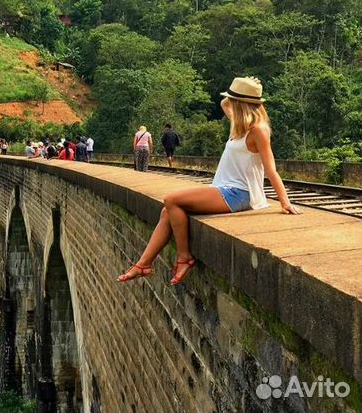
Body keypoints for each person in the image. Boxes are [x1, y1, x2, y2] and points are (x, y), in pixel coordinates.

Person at [117, 77, 302, 286]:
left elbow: (270, 169)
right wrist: (242, 85)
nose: (228, 103)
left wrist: (285, 202)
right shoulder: (240, 125)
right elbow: (224, 103)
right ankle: (143, 264)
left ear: (240, 104)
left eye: (233, 100)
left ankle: (184, 257)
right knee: (167, 211)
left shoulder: (257, 130)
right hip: (224, 190)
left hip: (239, 194)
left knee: (171, 200)